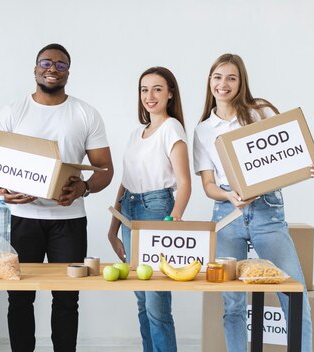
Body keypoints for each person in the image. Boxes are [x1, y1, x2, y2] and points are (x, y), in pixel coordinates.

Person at [193, 53, 314, 352]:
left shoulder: (260, 111)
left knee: (294, 295)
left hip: (267, 211)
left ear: (241, 82)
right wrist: (229, 195)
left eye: (231, 77)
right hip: (227, 215)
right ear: (209, 81)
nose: (223, 84)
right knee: (233, 303)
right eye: (218, 77)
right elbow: (208, 185)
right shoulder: (203, 130)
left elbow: (298, 151)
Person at [0, 43, 114, 352]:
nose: (52, 68)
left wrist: (84, 188)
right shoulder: (13, 111)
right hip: (22, 220)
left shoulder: (85, 113)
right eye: (46, 62)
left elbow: (105, 169)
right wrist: (2, 195)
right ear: (35, 68)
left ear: (68, 72)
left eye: (60, 64)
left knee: (67, 297)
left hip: (68, 221)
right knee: (18, 297)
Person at [107, 66, 190, 352]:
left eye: (157, 89)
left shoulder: (172, 128)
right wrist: (113, 228)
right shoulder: (135, 134)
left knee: (157, 304)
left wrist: (173, 221)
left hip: (157, 209)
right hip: (129, 210)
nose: (150, 95)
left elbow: (184, 183)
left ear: (170, 94)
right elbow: (124, 183)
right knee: (142, 301)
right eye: (144, 89)